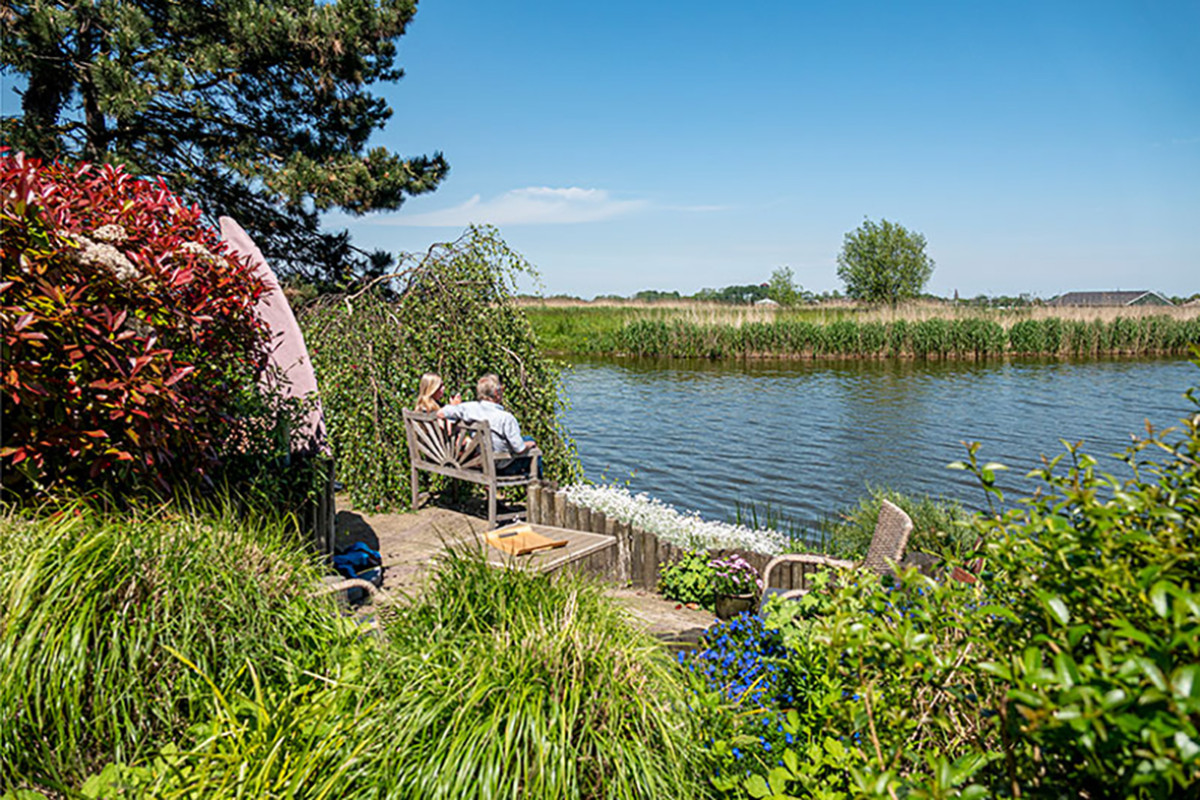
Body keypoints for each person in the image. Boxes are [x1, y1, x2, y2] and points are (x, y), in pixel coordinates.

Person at [438, 373, 540, 477]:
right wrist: (530, 444)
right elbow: (519, 449)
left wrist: (455, 406)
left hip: (483, 460)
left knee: (524, 439)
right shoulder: (506, 418)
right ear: (496, 393)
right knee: (532, 445)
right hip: (501, 466)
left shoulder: (470, 408)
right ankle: (540, 486)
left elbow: (441, 413)